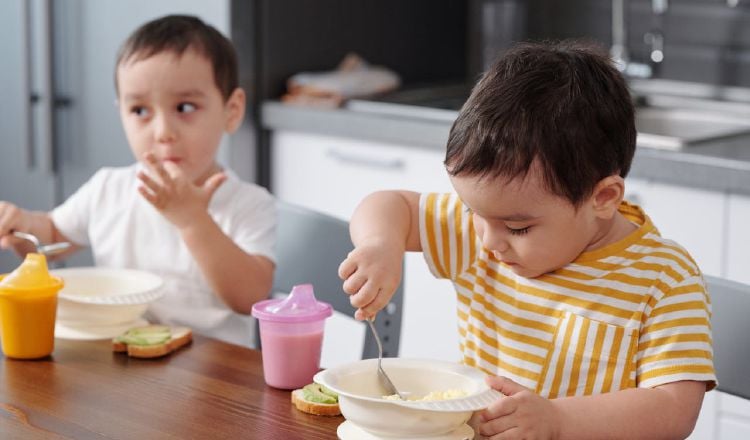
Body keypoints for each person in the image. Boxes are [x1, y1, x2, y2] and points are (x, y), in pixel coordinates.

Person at [338, 40, 715, 439]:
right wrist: (381, 244)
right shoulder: (486, 226)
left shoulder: (663, 278)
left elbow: (674, 409)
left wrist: (558, 421)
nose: (489, 241)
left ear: (602, 198)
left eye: (518, 228)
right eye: (473, 213)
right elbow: (389, 204)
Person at [0, 15, 275, 346]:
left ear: (231, 111)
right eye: (141, 111)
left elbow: (250, 299)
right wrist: (21, 226)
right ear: (122, 113)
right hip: (122, 368)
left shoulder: (248, 203)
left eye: (185, 107)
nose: (163, 133)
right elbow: (52, 236)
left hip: (213, 382)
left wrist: (192, 220)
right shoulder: (108, 189)